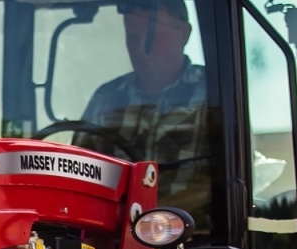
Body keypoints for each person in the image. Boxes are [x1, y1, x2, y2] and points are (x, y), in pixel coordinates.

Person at [75, 0, 213, 221]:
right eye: (133, 38)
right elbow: (78, 173)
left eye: (153, 37)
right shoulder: (107, 97)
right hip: (110, 238)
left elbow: (219, 183)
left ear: (184, 34)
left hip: (191, 239)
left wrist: (148, 217)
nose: (141, 49)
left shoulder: (213, 93)